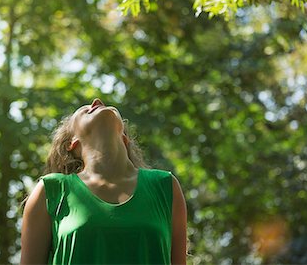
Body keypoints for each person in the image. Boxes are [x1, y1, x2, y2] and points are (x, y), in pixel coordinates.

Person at [20, 98, 187, 265]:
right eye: (83, 109)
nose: (96, 101)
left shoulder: (165, 186)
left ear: (124, 138)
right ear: (71, 143)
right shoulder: (51, 191)